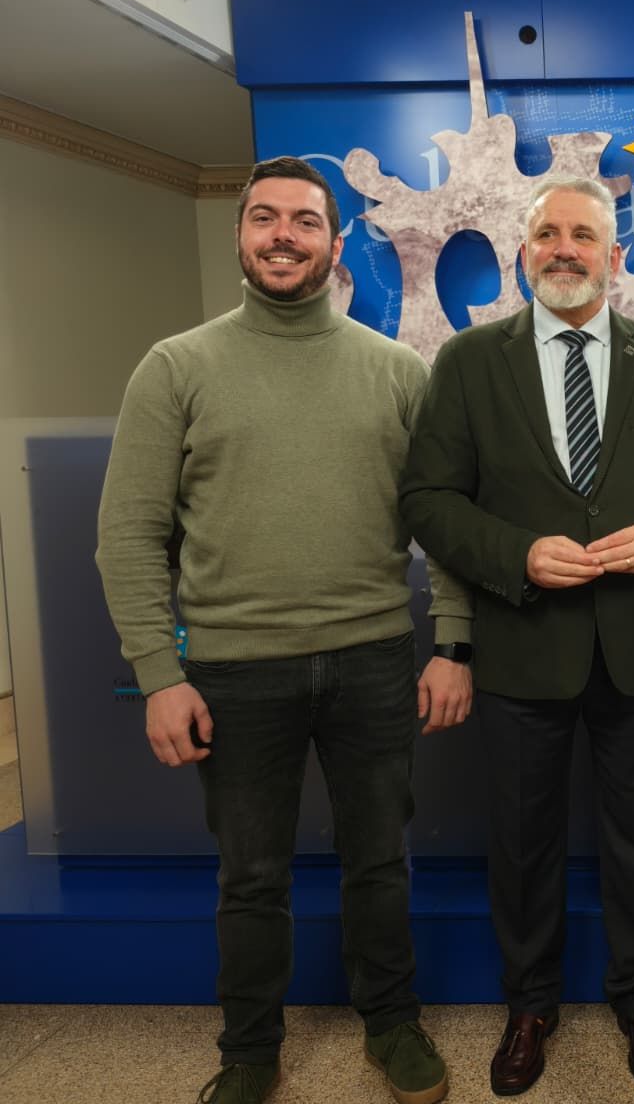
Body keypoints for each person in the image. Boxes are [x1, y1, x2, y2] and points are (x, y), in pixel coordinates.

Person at [95, 156, 472, 1104]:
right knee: (251, 877)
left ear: (336, 245)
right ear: (241, 236)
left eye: (304, 222)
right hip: (232, 669)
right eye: (264, 219)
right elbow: (128, 536)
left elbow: (448, 523)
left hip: (375, 660)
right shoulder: (176, 366)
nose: (282, 236)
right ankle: (249, 1053)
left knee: (379, 862)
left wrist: (453, 642)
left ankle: (391, 1025)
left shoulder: (397, 373)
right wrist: (158, 672)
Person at [399, 175, 634, 1094]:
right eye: (549, 235)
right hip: (520, 647)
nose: (566, 249)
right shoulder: (467, 363)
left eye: (585, 235)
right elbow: (428, 497)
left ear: (615, 257)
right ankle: (530, 1005)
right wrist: (514, 554)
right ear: (523, 251)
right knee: (525, 842)